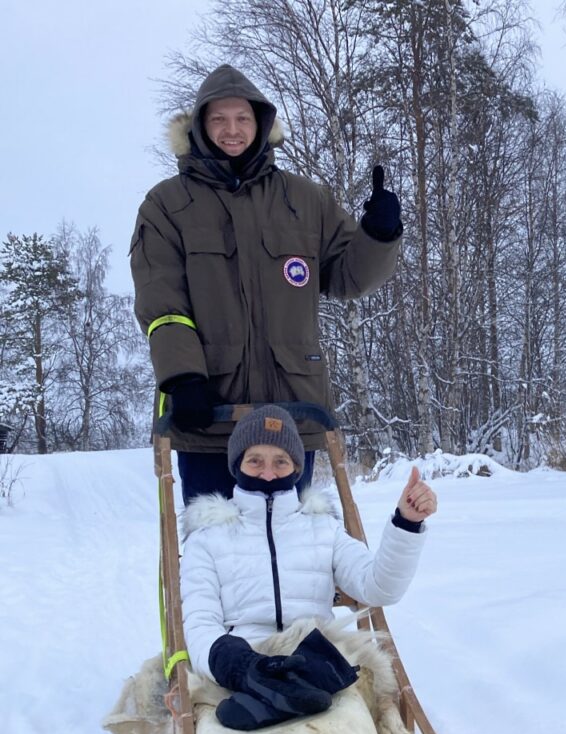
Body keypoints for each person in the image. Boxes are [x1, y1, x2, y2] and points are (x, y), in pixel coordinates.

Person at [130, 64, 403, 504]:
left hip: (292, 415)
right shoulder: (167, 205)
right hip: (210, 413)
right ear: (200, 126)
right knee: (215, 554)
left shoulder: (305, 199)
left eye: (242, 118)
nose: (231, 130)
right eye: (218, 119)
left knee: (294, 554)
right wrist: (183, 378)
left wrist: (379, 233)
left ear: (261, 124)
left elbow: (349, 277)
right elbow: (161, 300)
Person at [180, 404, 437, 731]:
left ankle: (281, 695)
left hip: (311, 651)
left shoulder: (322, 528)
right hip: (244, 659)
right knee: (247, 670)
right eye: (255, 460)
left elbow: (379, 587)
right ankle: (271, 689)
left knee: (325, 664)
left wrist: (407, 523)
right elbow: (200, 622)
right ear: (237, 465)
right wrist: (233, 662)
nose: (268, 473)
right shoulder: (206, 538)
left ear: (296, 467)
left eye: (280, 461)